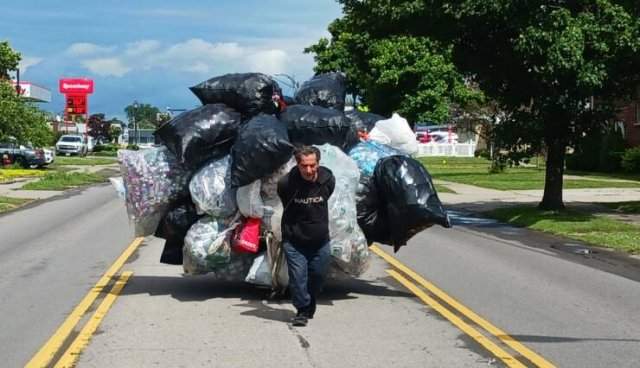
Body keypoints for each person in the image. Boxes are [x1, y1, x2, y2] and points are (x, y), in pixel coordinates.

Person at [277, 145, 335, 327]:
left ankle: (310, 301)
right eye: (304, 166)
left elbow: (327, 195)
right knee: (298, 278)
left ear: (318, 163)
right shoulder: (286, 184)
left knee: (317, 277)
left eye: (312, 165)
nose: (309, 170)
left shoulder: (327, 179)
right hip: (294, 241)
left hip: (320, 241)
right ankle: (302, 310)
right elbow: (285, 201)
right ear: (297, 164)